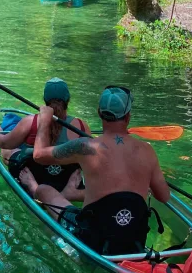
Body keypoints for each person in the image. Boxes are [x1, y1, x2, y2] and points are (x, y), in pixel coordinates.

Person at [27, 86, 170, 255]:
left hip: (92, 239)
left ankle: (59, 239)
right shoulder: (147, 151)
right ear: (128, 116)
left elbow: (38, 155)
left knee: (43, 190)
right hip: (133, 240)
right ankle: (71, 195)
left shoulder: (85, 147)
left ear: (99, 113)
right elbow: (164, 196)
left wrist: (44, 121)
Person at [0, 78, 91, 202]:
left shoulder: (30, 122)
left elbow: (5, 142)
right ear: (68, 100)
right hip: (67, 182)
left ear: (45, 100)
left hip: (33, 177)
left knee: (10, 150)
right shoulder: (81, 126)